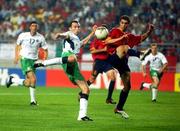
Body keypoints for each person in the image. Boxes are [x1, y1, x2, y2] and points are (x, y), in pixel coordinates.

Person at [34, 20, 97, 121]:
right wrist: (59, 35)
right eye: (74, 27)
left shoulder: (76, 39)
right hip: (67, 57)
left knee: (86, 89)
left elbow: (83, 42)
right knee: (73, 57)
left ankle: (82, 116)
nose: (76, 28)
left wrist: (93, 33)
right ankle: (43, 63)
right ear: (70, 28)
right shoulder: (69, 34)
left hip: (73, 66)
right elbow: (65, 35)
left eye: (78, 27)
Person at [104, 15, 154, 119]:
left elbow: (141, 38)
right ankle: (140, 54)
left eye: (125, 23)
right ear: (119, 22)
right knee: (124, 47)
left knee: (127, 86)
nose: (123, 25)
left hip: (122, 62)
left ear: (128, 24)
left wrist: (149, 31)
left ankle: (119, 108)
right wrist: (121, 38)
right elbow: (107, 41)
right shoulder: (114, 31)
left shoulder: (129, 36)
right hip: (112, 57)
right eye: (122, 22)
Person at [6, 21, 48, 106]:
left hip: (34, 61)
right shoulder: (23, 35)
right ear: (30, 27)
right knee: (33, 79)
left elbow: (45, 49)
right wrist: (16, 56)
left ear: (37, 28)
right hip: (25, 59)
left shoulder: (41, 37)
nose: (34, 27)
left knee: (29, 83)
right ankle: (33, 101)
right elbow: (17, 46)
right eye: (32, 26)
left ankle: (12, 80)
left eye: (35, 26)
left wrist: (44, 59)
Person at [87, 26, 116, 104]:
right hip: (98, 62)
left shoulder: (109, 41)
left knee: (113, 77)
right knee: (91, 80)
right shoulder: (96, 41)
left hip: (106, 62)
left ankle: (109, 98)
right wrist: (103, 50)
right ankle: (82, 91)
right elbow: (92, 51)